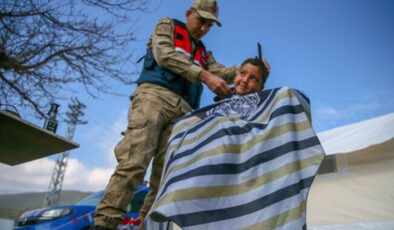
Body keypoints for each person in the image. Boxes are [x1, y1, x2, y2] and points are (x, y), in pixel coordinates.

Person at [94, 1, 257, 229]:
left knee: (165, 179)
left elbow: (223, 72)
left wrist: (251, 68)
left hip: (183, 115)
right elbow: (164, 55)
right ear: (189, 14)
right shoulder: (167, 26)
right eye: (201, 21)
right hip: (154, 97)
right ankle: (105, 224)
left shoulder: (203, 54)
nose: (204, 29)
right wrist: (203, 76)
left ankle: (148, 227)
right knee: (135, 161)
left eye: (209, 25)